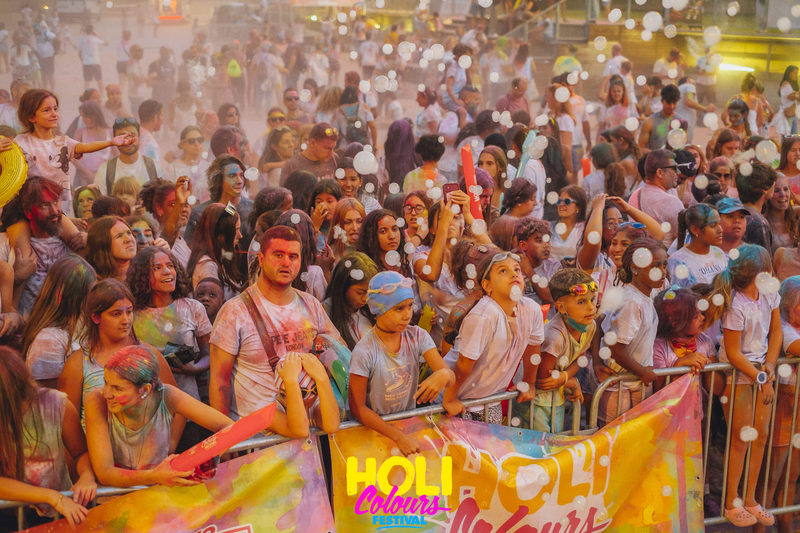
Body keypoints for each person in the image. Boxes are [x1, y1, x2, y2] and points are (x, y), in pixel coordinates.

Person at [208, 225, 341, 432]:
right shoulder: (235, 311)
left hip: (305, 436)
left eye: (293, 256)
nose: (286, 263)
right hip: (256, 438)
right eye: (278, 255)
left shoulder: (311, 304)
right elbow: (219, 382)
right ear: (261, 259)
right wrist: (224, 438)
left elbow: (337, 352)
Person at [83, 345, 233, 487]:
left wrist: (204, 459)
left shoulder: (167, 395)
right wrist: (154, 476)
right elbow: (105, 472)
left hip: (160, 495)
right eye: (106, 382)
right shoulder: (96, 400)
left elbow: (229, 426)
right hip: (115, 498)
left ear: (145, 390)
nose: (107, 394)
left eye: (117, 388)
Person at [707, 245, 779, 527]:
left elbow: (776, 332)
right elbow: (734, 353)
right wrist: (761, 377)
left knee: (760, 437)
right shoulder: (735, 305)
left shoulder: (769, 294)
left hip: (761, 372)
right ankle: (731, 502)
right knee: (740, 439)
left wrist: (769, 364)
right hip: (738, 376)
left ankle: (750, 499)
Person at [349, 271, 454, 455]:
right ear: (378, 310)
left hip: (408, 429)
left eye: (410, 306)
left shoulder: (417, 336)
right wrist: (397, 437)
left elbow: (451, 378)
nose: (407, 315)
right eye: (399, 308)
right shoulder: (364, 351)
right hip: (374, 434)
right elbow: (358, 408)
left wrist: (444, 374)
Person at [57, 279, 179, 428]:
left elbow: (177, 407)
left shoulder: (150, 355)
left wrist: (171, 440)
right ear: (96, 317)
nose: (125, 320)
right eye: (116, 314)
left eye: (129, 311)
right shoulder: (78, 363)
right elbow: (67, 421)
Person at [442, 251, 543, 423]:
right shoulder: (483, 315)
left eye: (517, 270)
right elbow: (464, 363)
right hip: (455, 399)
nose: (514, 274)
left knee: (489, 441)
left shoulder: (532, 309)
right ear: (487, 285)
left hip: (489, 401)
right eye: (503, 271)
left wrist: (529, 382)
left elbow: (533, 348)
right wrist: (450, 400)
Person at [0, 349, 96, 529]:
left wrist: (87, 476)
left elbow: (81, 452)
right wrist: (51, 496)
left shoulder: (57, 404)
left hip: (56, 512)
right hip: (9, 513)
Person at [5, 89, 135, 215]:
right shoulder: (20, 142)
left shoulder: (63, 142)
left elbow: (85, 146)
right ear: (31, 117)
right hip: (34, 207)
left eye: (55, 109)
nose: (54, 114)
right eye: (47, 110)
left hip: (61, 206)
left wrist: (111, 142)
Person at [595, 238, 665, 425]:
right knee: (614, 438)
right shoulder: (631, 302)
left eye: (664, 265)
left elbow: (600, 322)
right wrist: (642, 371)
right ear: (635, 269)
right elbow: (616, 348)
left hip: (636, 382)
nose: (663, 271)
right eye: (656, 266)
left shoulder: (645, 296)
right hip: (619, 386)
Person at [128, 247, 212, 401]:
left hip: (188, 403)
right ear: (142, 276)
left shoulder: (192, 308)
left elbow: (209, 353)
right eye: (157, 268)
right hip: (148, 403)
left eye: (170, 265)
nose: (167, 272)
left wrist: (194, 368)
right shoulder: (132, 315)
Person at [528, 269, 597, 432]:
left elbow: (580, 358)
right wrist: (570, 381)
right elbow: (544, 379)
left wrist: (564, 377)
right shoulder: (555, 337)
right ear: (561, 307)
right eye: (581, 302)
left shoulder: (590, 326)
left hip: (556, 398)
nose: (591, 308)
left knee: (555, 441)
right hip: (536, 402)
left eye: (592, 300)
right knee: (539, 445)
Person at [21, 255, 97, 388]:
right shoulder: (49, 340)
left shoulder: (86, 327)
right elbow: (49, 395)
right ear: (71, 296)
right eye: (90, 293)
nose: (95, 299)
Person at [764, 276, 800, 531]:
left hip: (798, 416)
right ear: (787, 305)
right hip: (783, 412)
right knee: (771, 478)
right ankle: (760, 528)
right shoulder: (785, 329)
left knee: (792, 476)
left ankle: (786, 527)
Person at [652, 288, 713, 387]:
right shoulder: (658, 346)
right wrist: (679, 364)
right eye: (695, 316)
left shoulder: (705, 342)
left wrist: (709, 368)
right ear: (675, 322)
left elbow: (717, 390)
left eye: (701, 313)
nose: (703, 317)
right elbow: (658, 389)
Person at [187, 203, 246, 299]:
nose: (240, 236)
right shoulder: (208, 267)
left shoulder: (221, 256)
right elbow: (212, 306)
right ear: (221, 235)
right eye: (236, 230)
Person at [628, 149, 684, 245]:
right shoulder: (671, 201)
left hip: (637, 251)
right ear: (660, 173)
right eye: (674, 168)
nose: (678, 172)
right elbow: (682, 238)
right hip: (663, 254)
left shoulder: (635, 194)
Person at [323, 252, 377, 349]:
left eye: (370, 293)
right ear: (343, 286)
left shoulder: (369, 312)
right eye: (360, 293)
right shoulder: (324, 313)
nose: (365, 298)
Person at [94, 117, 160, 195]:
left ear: (139, 137)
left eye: (132, 135)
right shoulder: (105, 170)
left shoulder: (154, 167)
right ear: (115, 140)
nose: (128, 141)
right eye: (122, 136)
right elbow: (99, 201)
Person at [668, 204, 727, 287]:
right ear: (695, 230)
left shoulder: (718, 253)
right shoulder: (678, 261)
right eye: (713, 226)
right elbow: (677, 293)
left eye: (719, 224)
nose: (720, 230)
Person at [358, 209, 411, 276]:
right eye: (383, 231)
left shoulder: (404, 264)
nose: (392, 236)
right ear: (371, 235)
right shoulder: (366, 269)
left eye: (394, 229)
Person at [165, 125, 211, 203]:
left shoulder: (209, 167)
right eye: (191, 141)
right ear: (183, 145)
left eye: (200, 140)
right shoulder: (173, 169)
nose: (197, 144)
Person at [737, 161, 776, 252]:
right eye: (773, 184)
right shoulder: (759, 223)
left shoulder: (733, 214)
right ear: (765, 189)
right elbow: (763, 259)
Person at [86, 216, 137, 282]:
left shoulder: (145, 271)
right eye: (119, 236)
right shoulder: (91, 282)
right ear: (103, 244)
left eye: (129, 233)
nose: (129, 239)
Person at [638, 85, 686, 152]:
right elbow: (641, 148)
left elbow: (684, 146)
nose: (671, 106)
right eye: (668, 103)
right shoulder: (649, 122)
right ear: (662, 101)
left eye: (674, 103)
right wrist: (657, 155)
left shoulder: (682, 122)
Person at [550, 185, 587, 263]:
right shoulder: (548, 227)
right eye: (559, 201)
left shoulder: (585, 229)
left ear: (578, 207)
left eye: (567, 201)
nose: (561, 204)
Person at [764, 174, 799, 253]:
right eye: (776, 190)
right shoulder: (763, 223)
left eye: (786, 189)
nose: (783, 194)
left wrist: (796, 198)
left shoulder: (795, 214)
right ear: (768, 193)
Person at [257, 125, 296, 190]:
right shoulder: (278, 172)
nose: (291, 145)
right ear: (274, 146)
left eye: (292, 141)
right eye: (286, 142)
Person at [77, 25, 105, 91]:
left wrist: (82, 60)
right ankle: (102, 94)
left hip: (86, 63)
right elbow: (105, 43)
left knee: (87, 81)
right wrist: (97, 36)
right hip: (96, 62)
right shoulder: (95, 38)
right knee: (99, 80)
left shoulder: (82, 39)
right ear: (92, 30)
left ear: (85, 31)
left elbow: (79, 53)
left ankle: (87, 94)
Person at [137, 99, 163, 165]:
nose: (163, 119)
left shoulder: (129, 134)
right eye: (161, 115)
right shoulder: (151, 145)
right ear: (155, 117)